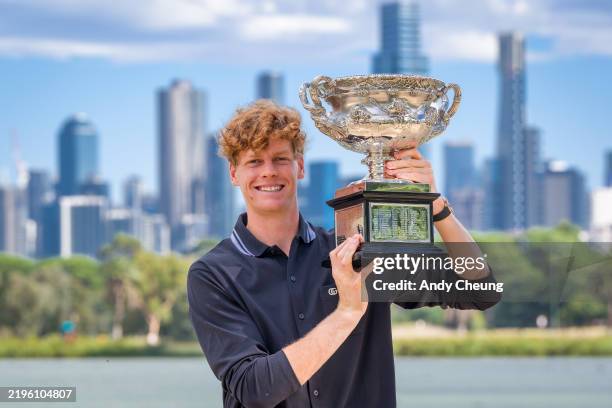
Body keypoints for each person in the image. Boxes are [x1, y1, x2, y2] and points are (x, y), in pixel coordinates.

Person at [187, 100, 500, 407]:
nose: (268, 172)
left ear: (299, 167)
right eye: (254, 162)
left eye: (280, 159)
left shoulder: (358, 249)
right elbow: (255, 389)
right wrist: (347, 311)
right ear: (233, 173)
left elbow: (479, 290)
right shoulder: (213, 274)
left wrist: (435, 206)